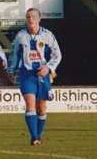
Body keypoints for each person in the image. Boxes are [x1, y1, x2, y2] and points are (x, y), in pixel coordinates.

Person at [9, 8, 62, 146]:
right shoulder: (20, 36)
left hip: (43, 75)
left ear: (39, 19)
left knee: (42, 108)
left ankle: (38, 134)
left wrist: (48, 68)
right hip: (27, 75)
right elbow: (15, 55)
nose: (30, 19)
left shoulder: (48, 35)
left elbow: (57, 55)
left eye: (33, 17)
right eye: (28, 17)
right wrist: (11, 70)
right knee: (30, 105)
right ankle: (34, 137)